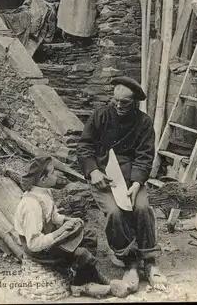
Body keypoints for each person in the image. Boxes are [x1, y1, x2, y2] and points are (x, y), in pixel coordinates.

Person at [76, 76, 167, 293]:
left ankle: (150, 262)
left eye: (124, 103)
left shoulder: (144, 123)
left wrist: (137, 183)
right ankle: (130, 263)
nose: (118, 105)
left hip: (131, 177)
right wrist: (93, 171)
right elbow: (84, 146)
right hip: (104, 177)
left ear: (135, 102)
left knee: (143, 208)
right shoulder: (100, 116)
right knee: (114, 213)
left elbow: (145, 156)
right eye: (115, 100)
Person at [14, 156, 109, 288]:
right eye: (53, 173)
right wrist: (61, 230)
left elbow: (52, 216)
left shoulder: (45, 192)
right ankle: (82, 282)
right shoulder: (31, 206)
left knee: (89, 236)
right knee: (82, 253)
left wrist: (66, 220)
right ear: (43, 179)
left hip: (48, 236)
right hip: (39, 250)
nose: (56, 175)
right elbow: (34, 244)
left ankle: (85, 276)